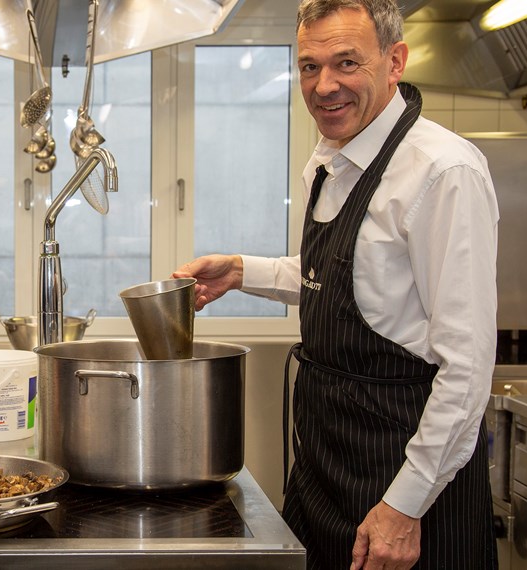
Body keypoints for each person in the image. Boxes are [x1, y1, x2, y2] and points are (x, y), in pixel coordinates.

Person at [173, 1, 498, 568]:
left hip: (406, 479)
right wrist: (243, 272)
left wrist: (404, 506)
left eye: (347, 63)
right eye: (308, 66)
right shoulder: (329, 160)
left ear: (394, 62)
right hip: (324, 466)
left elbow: (467, 369)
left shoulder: (443, 172)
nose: (324, 86)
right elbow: (348, 279)